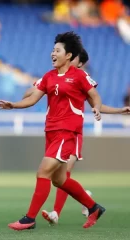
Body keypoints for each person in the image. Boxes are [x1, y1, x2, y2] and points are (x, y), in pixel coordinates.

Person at [0, 31, 105, 230]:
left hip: (67, 131)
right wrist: (14, 105)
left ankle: (29, 219)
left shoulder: (79, 75)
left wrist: (96, 107)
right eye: (52, 50)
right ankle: (93, 207)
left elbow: (94, 95)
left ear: (69, 55)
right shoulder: (49, 76)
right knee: (59, 179)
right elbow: (32, 98)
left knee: (43, 172)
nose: (52, 53)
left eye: (57, 50)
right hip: (51, 131)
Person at [23, 48, 130, 224]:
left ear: (79, 63)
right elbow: (29, 94)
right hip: (55, 130)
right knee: (60, 178)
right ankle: (90, 204)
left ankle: (52, 213)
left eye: (73, 59)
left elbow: (97, 103)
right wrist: (37, 88)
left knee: (56, 173)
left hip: (71, 132)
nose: (69, 61)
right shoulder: (53, 77)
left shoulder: (79, 77)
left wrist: (118, 110)